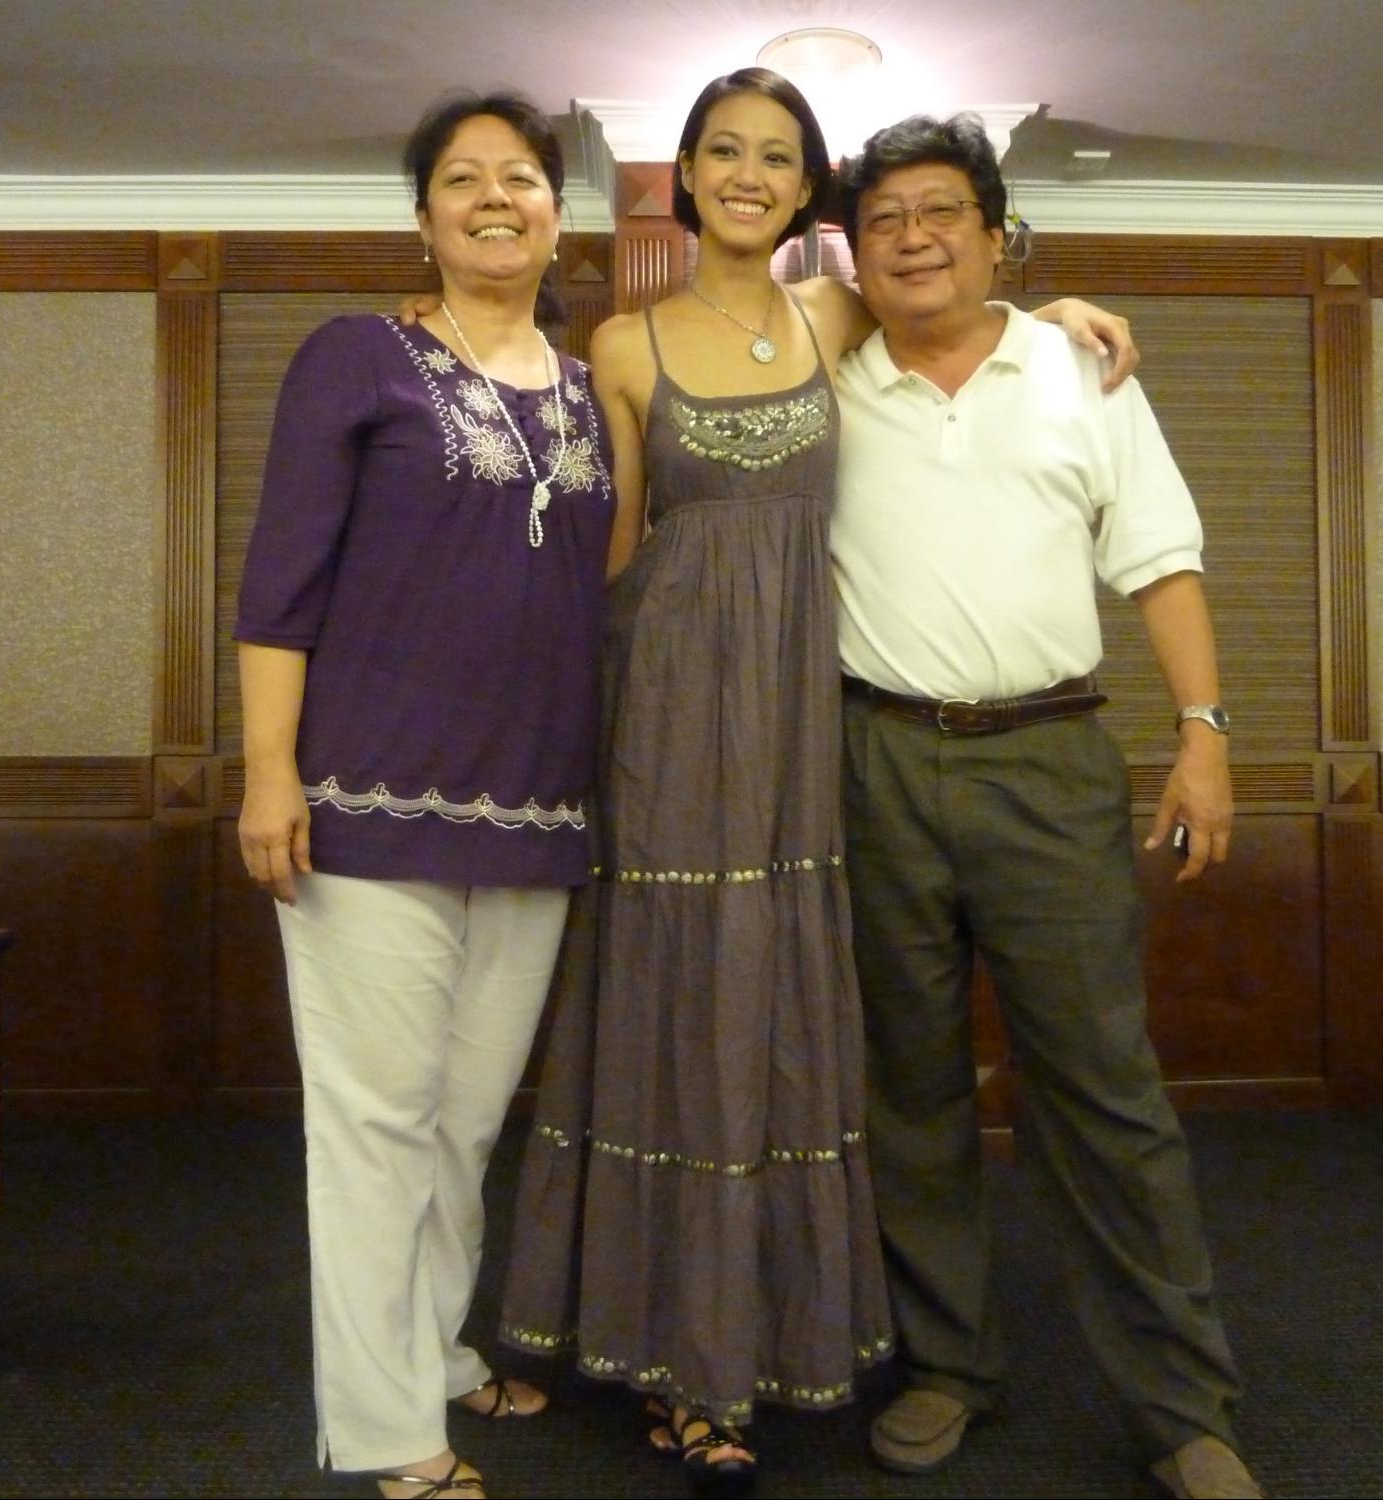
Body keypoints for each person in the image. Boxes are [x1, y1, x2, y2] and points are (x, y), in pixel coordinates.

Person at [486, 69, 1139, 1497]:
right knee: (676, 999)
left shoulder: (837, 314)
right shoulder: (623, 342)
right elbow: (610, 557)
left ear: (805, 193)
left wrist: (1061, 314)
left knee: (779, 1003)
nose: (747, 173)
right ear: (683, 174)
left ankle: (771, 1333)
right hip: (670, 714)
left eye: (777, 157)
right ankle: (677, 1360)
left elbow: (955, 313)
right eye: (723, 149)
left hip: (802, 717)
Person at [830, 115, 1263, 1500]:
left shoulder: (1082, 368)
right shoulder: (825, 380)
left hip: (1049, 761)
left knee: (1102, 1089)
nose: (913, 238)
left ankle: (1182, 1408)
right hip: (870, 761)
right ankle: (946, 1366)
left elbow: (1163, 561)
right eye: (884, 218)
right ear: (853, 251)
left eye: (940, 211)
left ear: (994, 232)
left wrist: (1204, 737)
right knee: (907, 1091)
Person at [234, 91, 617, 1500]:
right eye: (463, 178)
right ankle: (388, 1427)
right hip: (364, 805)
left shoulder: (591, 390)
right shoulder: (358, 356)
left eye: (521, 177)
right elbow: (280, 583)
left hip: (537, 812)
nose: (495, 197)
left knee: (464, 1122)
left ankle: (438, 1353)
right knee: (375, 1126)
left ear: (560, 215)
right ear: (423, 217)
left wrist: (1050, 306)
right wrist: (269, 774)